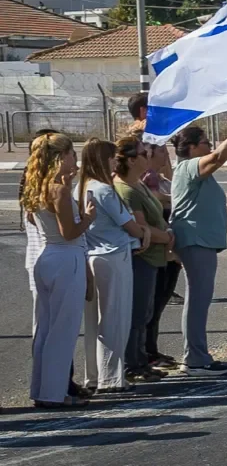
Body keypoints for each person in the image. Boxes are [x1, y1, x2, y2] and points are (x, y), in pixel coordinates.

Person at [171, 119, 227, 375]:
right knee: (198, 299)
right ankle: (195, 358)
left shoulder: (195, 171)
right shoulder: (188, 167)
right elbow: (218, 158)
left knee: (200, 298)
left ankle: (197, 354)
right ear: (191, 147)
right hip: (195, 240)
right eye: (205, 143)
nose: (209, 146)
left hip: (202, 241)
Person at [23, 134, 93, 408]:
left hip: (46, 256)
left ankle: (42, 389)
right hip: (66, 257)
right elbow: (69, 233)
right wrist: (88, 218)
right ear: (60, 156)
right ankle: (55, 393)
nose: (74, 159)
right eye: (71, 154)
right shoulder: (58, 190)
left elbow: (37, 221)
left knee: (45, 327)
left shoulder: (36, 186)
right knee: (63, 329)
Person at [79, 138, 148, 394]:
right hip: (113, 255)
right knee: (114, 318)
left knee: (93, 323)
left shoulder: (82, 187)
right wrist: (144, 233)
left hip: (92, 255)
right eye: (111, 158)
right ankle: (111, 378)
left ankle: (94, 376)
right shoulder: (104, 190)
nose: (114, 163)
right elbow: (129, 226)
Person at [114, 134, 172, 383]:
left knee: (145, 312)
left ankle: (140, 359)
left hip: (154, 256)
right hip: (141, 256)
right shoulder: (126, 190)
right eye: (142, 153)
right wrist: (167, 237)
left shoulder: (139, 184)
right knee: (137, 313)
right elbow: (141, 227)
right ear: (130, 160)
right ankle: (132, 364)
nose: (147, 156)